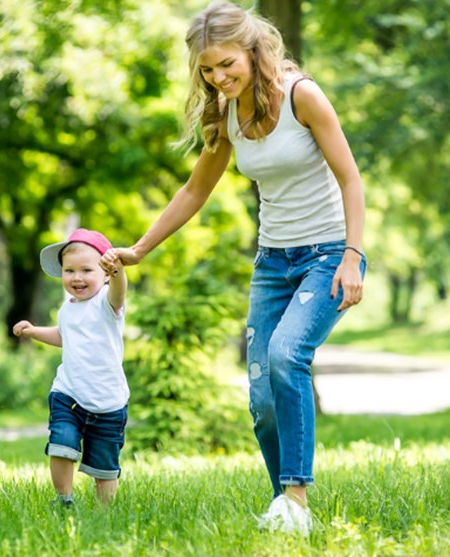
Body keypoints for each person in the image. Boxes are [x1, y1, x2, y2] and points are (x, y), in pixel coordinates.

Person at [101, 0, 366, 535]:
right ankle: (284, 508)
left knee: (287, 355)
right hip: (272, 262)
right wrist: (140, 248)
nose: (218, 78)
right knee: (261, 393)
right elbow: (196, 189)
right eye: (207, 69)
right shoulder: (226, 114)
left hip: (327, 254)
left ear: (252, 50)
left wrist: (352, 257)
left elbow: (351, 180)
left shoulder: (302, 96)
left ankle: (297, 498)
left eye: (227, 64)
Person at [13, 228, 128, 507]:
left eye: (87, 270)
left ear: (104, 274)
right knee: (61, 446)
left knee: (104, 467)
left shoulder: (107, 303)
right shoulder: (67, 309)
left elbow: (119, 289)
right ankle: (64, 499)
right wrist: (33, 331)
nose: (77, 277)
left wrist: (118, 271)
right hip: (69, 394)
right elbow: (64, 337)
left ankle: (105, 513)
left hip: (108, 401)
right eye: (69, 270)